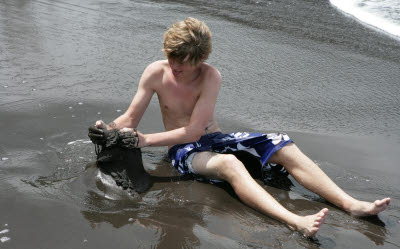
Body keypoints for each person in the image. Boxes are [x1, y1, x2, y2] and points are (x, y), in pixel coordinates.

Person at [91, 17, 390, 237]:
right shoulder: (155, 72)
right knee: (230, 165)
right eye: (171, 57)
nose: (174, 65)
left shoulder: (210, 76)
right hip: (183, 150)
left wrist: (144, 140)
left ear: (199, 59)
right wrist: (108, 128)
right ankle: (293, 220)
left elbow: (197, 130)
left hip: (211, 138)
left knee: (282, 141)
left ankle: (351, 204)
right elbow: (130, 118)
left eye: (182, 61)